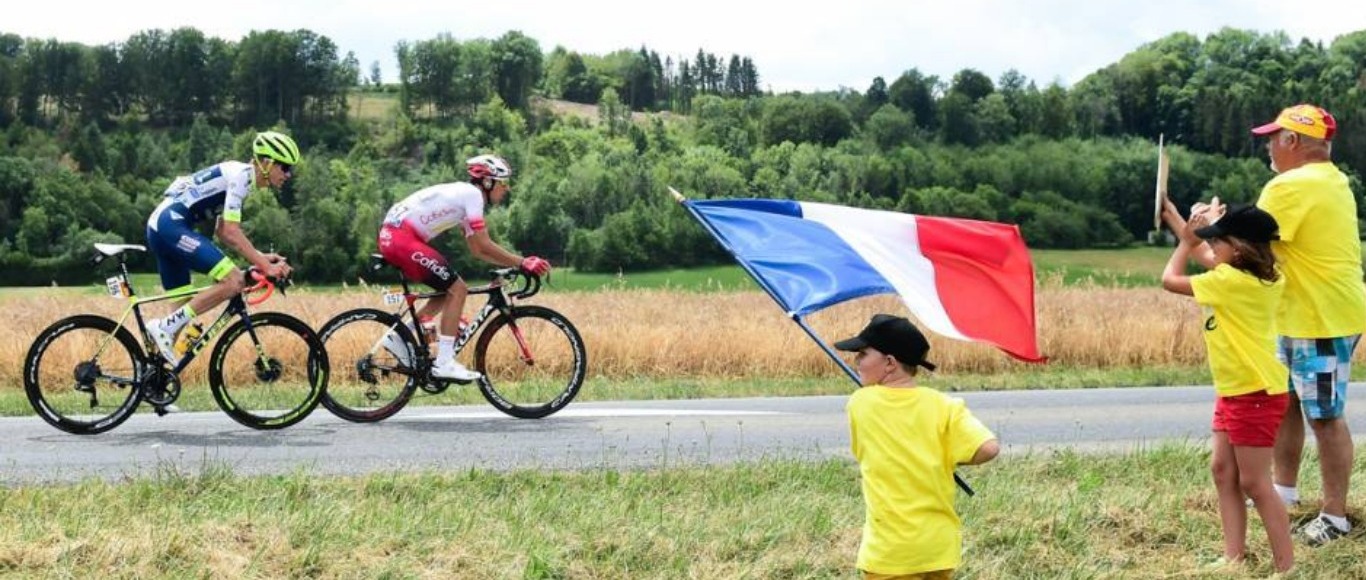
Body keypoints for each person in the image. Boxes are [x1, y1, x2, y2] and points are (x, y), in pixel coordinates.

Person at [1253, 104, 1365, 546]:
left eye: (1273, 137)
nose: (1268, 146)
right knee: (1288, 403)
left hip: (1318, 318)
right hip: (1313, 311)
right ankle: (1284, 491)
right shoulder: (1334, 179)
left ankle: (1334, 517)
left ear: (1292, 142)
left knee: (1324, 416)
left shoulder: (1290, 185)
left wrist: (1202, 230)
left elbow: (1251, 244)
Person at [1160, 202, 1294, 574]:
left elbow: (1170, 279)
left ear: (1238, 249)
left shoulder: (1230, 282)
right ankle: (1234, 558)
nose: (1211, 247)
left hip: (1253, 393)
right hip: (1238, 389)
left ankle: (1286, 567)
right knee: (1223, 470)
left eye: (1218, 241)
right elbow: (1209, 254)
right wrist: (1176, 218)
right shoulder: (1260, 276)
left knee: (1255, 482)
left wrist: (1184, 244)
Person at [836, 313, 999, 579]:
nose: (856, 362)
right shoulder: (944, 405)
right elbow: (989, 448)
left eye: (863, 354)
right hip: (938, 549)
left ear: (889, 362)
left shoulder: (861, 402)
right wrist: (945, 455)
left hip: (891, 552)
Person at [376, 154, 551, 380]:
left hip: (396, 237)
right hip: (401, 239)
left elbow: (478, 250)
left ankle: (400, 335)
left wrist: (516, 264)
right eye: (503, 183)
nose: (506, 189)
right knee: (459, 290)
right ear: (487, 182)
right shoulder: (473, 196)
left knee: (445, 293)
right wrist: (522, 261)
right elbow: (485, 244)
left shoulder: (465, 199)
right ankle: (444, 363)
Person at [144, 131, 299, 367]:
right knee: (234, 281)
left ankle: (154, 384)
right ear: (266, 162)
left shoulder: (239, 177)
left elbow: (223, 232)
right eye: (285, 167)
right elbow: (232, 232)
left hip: (163, 227)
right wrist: (265, 266)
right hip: (170, 226)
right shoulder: (242, 177)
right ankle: (162, 327)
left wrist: (260, 257)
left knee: (181, 307)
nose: (288, 175)